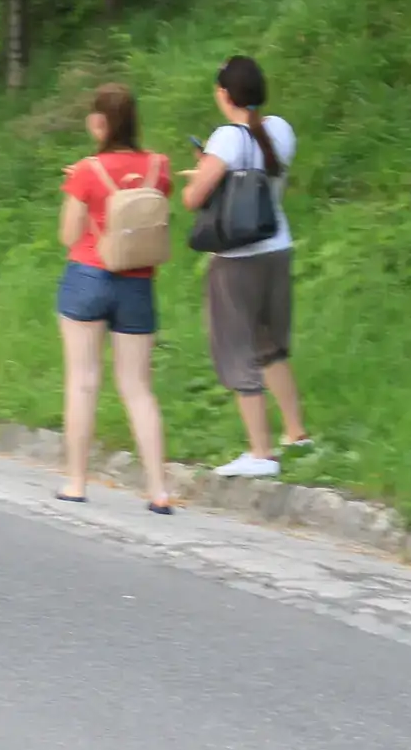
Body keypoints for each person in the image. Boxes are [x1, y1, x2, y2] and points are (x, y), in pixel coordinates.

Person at [181, 54, 311, 478]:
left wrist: (200, 171)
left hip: (237, 259)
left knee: (237, 350)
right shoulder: (281, 130)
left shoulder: (226, 138)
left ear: (224, 94)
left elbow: (194, 198)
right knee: (271, 345)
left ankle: (260, 453)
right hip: (277, 248)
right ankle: (296, 433)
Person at [55, 84, 174, 513]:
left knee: (83, 381)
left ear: (99, 122)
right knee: (138, 388)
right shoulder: (159, 166)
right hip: (138, 282)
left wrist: (81, 188)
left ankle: (76, 482)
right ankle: (159, 490)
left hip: (89, 276)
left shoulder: (86, 171)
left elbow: (68, 235)